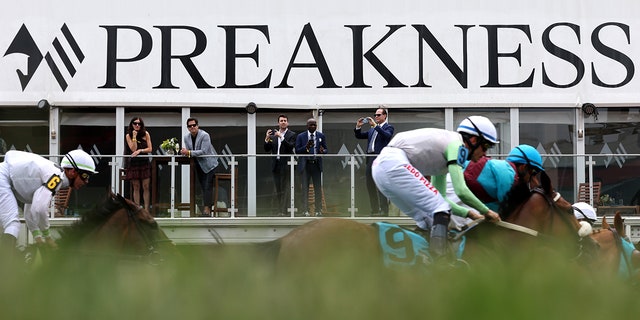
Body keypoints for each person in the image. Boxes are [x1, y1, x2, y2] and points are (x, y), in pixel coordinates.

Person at [371, 116, 501, 260]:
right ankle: (440, 260)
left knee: (428, 218)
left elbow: (442, 196)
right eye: (486, 147)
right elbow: (461, 191)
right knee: (440, 209)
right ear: (474, 140)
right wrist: (487, 212)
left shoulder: (444, 155)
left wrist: (469, 214)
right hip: (392, 162)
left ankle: (419, 259)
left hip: (381, 168)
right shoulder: (457, 146)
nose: (485, 154)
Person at [0, 149, 97, 253]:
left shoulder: (53, 175)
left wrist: (38, 238)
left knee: (7, 225)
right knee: (12, 225)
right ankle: (5, 267)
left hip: (5, 177)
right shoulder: (56, 177)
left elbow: (30, 211)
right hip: (3, 177)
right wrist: (48, 237)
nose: (86, 181)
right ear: (72, 171)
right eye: (85, 176)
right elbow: (40, 209)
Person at [464, 144, 545, 212]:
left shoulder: (504, 170)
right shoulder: (510, 176)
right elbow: (509, 213)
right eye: (533, 174)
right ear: (523, 167)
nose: (536, 182)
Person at [354, 106, 394, 216]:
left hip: (380, 159)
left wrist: (375, 126)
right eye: (375, 115)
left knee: (380, 185)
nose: (376, 116)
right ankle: (375, 209)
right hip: (370, 158)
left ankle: (384, 210)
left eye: (378, 115)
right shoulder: (372, 130)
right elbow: (359, 136)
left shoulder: (388, 127)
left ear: (385, 116)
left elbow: (387, 136)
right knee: (370, 184)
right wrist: (358, 127)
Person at [180, 118, 219, 217]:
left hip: (210, 164)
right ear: (187, 128)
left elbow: (204, 151)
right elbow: (190, 152)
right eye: (190, 126)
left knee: (207, 185)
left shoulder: (205, 135)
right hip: (198, 164)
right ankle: (206, 208)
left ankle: (207, 210)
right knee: (202, 186)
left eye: (194, 125)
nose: (192, 127)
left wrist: (188, 152)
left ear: (198, 125)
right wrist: (184, 152)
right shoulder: (186, 137)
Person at [264, 114, 296, 216]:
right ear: (278, 123)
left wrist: (281, 137)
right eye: (281, 121)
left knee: (285, 188)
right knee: (278, 188)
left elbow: (290, 146)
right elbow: (266, 149)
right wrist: (267, 138)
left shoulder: (292, 134)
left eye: (285, 120)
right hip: (276, 164)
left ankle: (283, 211)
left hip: (286, 164)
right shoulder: (273, 136)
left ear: (288, 123)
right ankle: (279, 210)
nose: (283, 122)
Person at [295, 118, 328, 217]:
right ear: (307, 126)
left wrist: (323, 151)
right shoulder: (301, 136)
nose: (313, 126)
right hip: (305, 165)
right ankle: (305, 210)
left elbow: (326, 148)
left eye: (314, 125)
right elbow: (297, 150)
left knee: (317, 188)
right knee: (305, 189)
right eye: (311, 125)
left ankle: (318, 210)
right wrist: (307, 147)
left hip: (316, 165)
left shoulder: (321, 136)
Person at [124, 117, 152, 210]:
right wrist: (134, 137)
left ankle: (147, 209)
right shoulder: (128, 135)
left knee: (146, 186)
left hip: (144, 162)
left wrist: (140, 150)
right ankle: (137, 208)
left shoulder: (146, 134)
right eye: (135, 123)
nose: (137, 125)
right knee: (136, 186)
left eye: (139, 124)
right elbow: (133, 149)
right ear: (132, 125)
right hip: (134, 163)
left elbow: (150, 148)